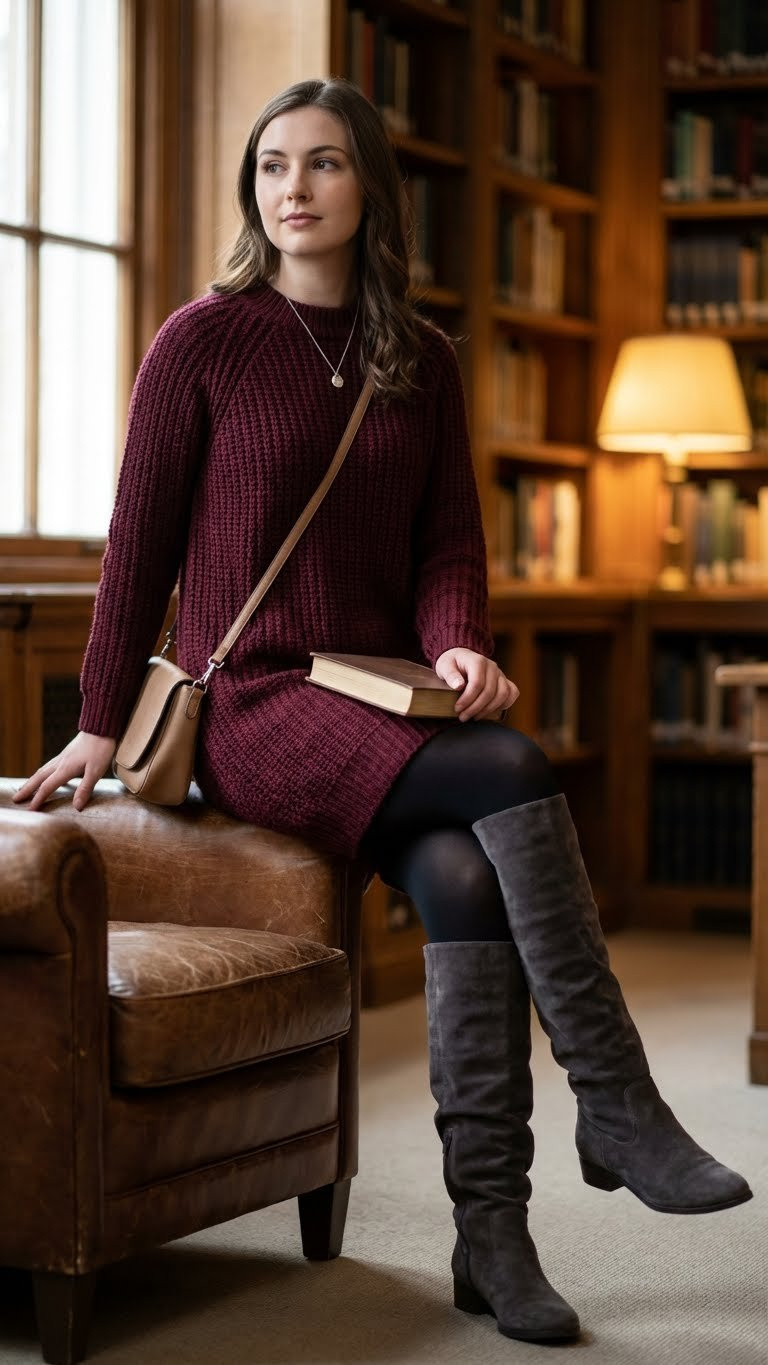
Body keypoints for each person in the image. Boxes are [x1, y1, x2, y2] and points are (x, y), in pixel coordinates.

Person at [14, 78, 751, 1344]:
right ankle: (617, 1102)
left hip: (381, 704)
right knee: (514, 764)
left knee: (462, 880)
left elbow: (447, 552)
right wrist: (95, 718)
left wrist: (458, 644)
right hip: (249, 705)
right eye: (270, 167)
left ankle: (491, 1240)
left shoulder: (423, 356)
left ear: (370, 190)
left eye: (323, 165)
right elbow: (136, 551)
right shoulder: (202, 340)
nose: (292, 188)